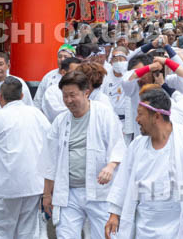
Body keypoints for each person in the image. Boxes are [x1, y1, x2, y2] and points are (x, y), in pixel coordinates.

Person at [105, 86, 183, 239]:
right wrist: (114, 213)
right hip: (145, 226)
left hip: (180, 223)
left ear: (156, 116)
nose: (137, 120)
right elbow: (123, 181)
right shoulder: (136, 145)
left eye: (140, 114)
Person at [42, 69, 126, 239]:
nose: (68, 100)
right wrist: (47, 194)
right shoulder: (60, 121)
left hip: (99, 191)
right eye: (65, 96)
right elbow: (50, 159)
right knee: (65, 235)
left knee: (104, 235)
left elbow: (118, 145)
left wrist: (110, 166)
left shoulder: (103, 113)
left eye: (72, 95)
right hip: (69, 192)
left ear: (86, 92)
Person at [0, 76, 50, 239]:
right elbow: (51, 139)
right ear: (22, 96)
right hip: (33, 185)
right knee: (28, 233)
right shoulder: (36, 114)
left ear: (0, 97)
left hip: (4, 187)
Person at [42, 56, 82, 122]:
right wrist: (80, 109)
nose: (79, 75)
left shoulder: (84, 89)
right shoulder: (51, 91)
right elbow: (55, 113)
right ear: (63, 72)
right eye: (75, 72)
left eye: (80, 72)